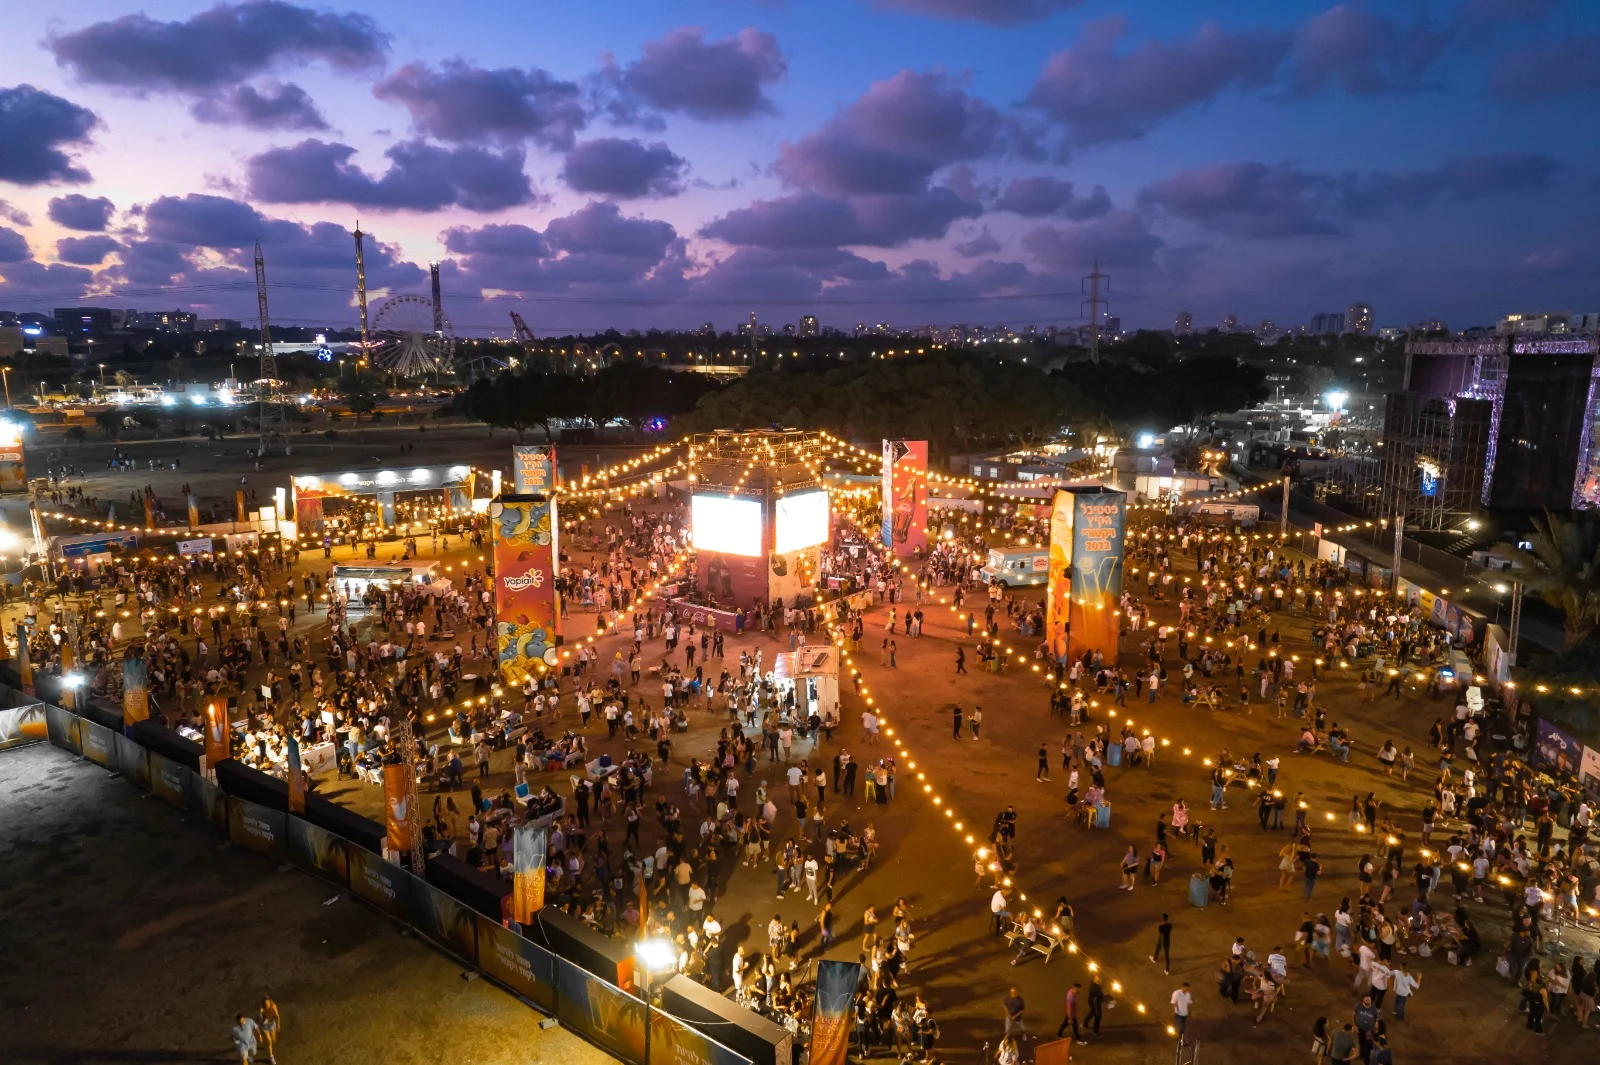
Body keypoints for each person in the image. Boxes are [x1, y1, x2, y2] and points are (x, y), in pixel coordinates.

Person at [258, 997, 281, 1064]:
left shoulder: (273, 1006)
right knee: (269, 1041)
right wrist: (260, 1015)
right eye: (265, 1003)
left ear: (270, 1002)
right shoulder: (262, 1009)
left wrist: (278, 1025)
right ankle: (271, 1056)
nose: (267, 1004)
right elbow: (260, 1020)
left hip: (272, 1025)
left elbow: (277, 1016)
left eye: (268, 1003)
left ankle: (269, 1046)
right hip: (265, 1027)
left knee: (274, 1040)